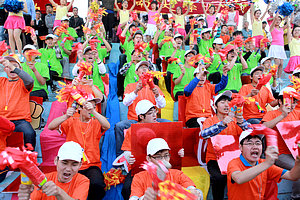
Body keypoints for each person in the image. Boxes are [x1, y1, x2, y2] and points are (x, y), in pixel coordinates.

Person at [48, 94, 110, 200]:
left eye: (94, 106)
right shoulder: (71, 121)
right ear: (80, 108)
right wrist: (66, 116)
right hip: (72, 164)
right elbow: (51, 126)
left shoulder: (96, 122)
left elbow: (107, 126)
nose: (91, 108)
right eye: (88, 106)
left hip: (92, 165)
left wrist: (94, 112)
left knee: (97, 184)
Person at [200, 90, 250, 200]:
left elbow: (250, 133)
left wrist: (242, 122)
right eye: (223, 102)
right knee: (219, 178)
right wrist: (222, 124)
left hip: (234, 158)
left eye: (228, 102)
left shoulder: (236, 120)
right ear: (216, 106)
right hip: (214, 159)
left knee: (245, 175)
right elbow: (203, 134)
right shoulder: (210, 120)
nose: (226, 104)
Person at [227, 130, 300, 200]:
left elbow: (292, 176)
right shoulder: (234, 163)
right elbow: (239, 179)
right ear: (240, 147)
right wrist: (267, 163)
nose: (255, 146)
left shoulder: (264, 163)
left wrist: (298, 161)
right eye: (249, 143)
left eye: (258, 143)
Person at [130, 138, 203, 200]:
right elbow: (133, 198)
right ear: (148, 158)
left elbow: (194, 190)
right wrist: (144, 198)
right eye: (158, 157)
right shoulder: (139, 178)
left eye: (166, 155)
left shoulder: (178, 174)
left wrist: (195, 193)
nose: (163, 160)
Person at [261, 87, 300, 199]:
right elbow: (263, 128)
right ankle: (296, 197)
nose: (292, 104)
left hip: (296, 152)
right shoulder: (272, 114)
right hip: (280, 154)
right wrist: (282, 115)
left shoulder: (297, 113)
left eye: (294, 101)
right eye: (289, 101)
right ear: (279, 101)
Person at [18, 141, 90, 200]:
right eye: (64, 163)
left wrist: (59, 192)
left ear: (80, 165)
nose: (68, 169)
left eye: (74, 165)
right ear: (56, 161)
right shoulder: (44, 179)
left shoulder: (83, 181)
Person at [0, 56, 36, 148]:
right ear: (5, 69)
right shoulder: (2, 81)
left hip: (20, 121)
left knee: (29, 133)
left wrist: (12, 67)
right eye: (8, 66)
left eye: (14, 66)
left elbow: (30, 80)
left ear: (20, 69)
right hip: (2, 119)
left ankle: (30, 160)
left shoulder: (23, 82)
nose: (11, 69)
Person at [184, 63, 229, 128]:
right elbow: (187, 91)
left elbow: (221, 86)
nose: (202, 77)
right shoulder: (189, 86)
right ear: (195, 76)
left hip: (208, 117)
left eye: (204, 75)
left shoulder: (208, 86)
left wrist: (224, 74)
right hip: (193, 117)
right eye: (200, 75)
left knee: (220, 126)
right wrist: (199, 75)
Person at [268, 13, 287, 78]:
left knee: (281, 64)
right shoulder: (272, 27)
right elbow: (274, 20)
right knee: (277, 63)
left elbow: (289, 22)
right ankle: (273, 77)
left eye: (279, 20)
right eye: (276, 20)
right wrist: (278, 11)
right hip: (275, 46)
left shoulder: (281, 28)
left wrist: (290, 13)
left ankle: (278, 78)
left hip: (281, 47)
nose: (278, 21)